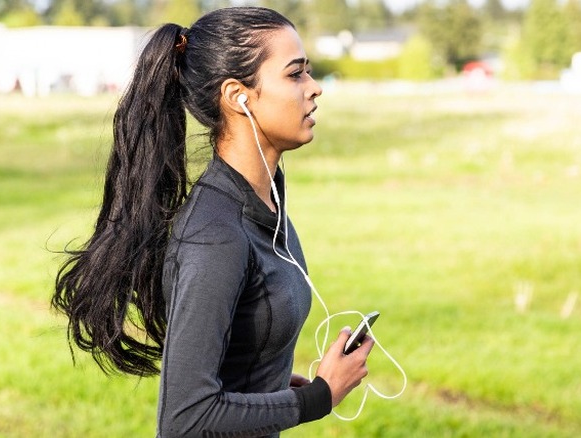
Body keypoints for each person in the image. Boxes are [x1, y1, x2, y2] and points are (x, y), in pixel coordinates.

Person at [52, 7, 374, 437]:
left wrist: (273, 389)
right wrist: (319, 397)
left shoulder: (265, 204)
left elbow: (237, 359)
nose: (315, 89)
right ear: (238, 96)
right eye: (295, 74)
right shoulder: (215, 235)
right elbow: (186, 417)